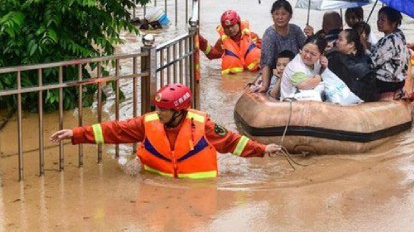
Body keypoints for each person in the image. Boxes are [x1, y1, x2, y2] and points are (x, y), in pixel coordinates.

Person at [50, 83, 282, 178]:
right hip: (154, 179)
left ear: (180, 111)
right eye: (158, 108)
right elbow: (115, 130)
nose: (159, 113)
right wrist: (76, 133)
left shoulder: (204, 126)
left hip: (197, 190)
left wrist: (263, 149)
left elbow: (232, 142)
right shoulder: (148, 122)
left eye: (164, 110)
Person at [253, 0, 307, 93]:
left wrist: (311, 36)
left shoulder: (295, 30)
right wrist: (265, 86)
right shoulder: (269, 34)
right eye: (276, 14)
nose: (280, 17)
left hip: (294, 70)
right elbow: (266, 62)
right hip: (277, 72)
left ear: (290, 16)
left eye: (283, 14)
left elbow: (307, 50)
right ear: (272, 15)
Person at [199, 10, 262, 75]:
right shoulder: (222, 42)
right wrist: (199, 40)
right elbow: (211, 54)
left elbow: (265, 50)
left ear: (238, 23)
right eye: (227, 27)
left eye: (232, 26)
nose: (230, 29)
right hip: (236, 77)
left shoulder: (252, 37)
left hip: (253, 73)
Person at [326, 29, 379, 102]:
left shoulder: (335, 58)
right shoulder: (366, 58)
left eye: (340, 39)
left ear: (351, 44)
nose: (336, 42)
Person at [368, 6, 409, 99]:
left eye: (382, 20)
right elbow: (379, 49)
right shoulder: (399, 35)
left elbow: (372, 62)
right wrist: (366, 44)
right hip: (398, 80)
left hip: (387, 83)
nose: (378, 22)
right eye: (378, 19)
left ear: (393, 23)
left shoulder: (390, 40)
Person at [280, 36, 328, 100]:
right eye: (306, 51)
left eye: (313, 54)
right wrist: (320, 77)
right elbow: (303, 85)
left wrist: (325, 67)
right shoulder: (294, 65)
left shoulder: (320, 61)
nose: (308, 56)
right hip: (290, 104)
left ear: (321, 55)